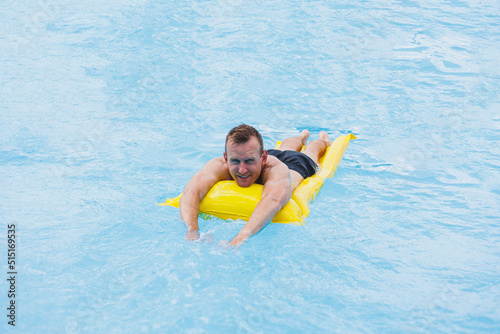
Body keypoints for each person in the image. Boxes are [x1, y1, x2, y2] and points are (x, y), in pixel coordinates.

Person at [180, 124, 332, 247]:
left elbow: (272, 200)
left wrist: (239, 238)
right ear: (226, 158)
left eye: (249, 161)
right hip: (266, 155)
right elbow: (191, 191)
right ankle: (301, 136)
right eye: (235, 161)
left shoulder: (277, 171)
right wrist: (192, 230)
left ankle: (323, 140)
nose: (242, 170)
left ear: (263, 157)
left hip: (295, 165)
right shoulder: (219, 165)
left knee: (311, 151)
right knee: (286, 146)